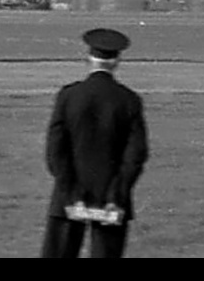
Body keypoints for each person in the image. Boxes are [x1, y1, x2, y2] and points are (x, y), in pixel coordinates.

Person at [40, 28, 149, 258]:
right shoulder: (129, 100)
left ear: (89, 58)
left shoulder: (69, 96)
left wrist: (72, 193)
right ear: (117, 61)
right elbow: (135, 155)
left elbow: (55, 152)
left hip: (68, 195)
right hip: (111, 199)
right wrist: (115, 195)